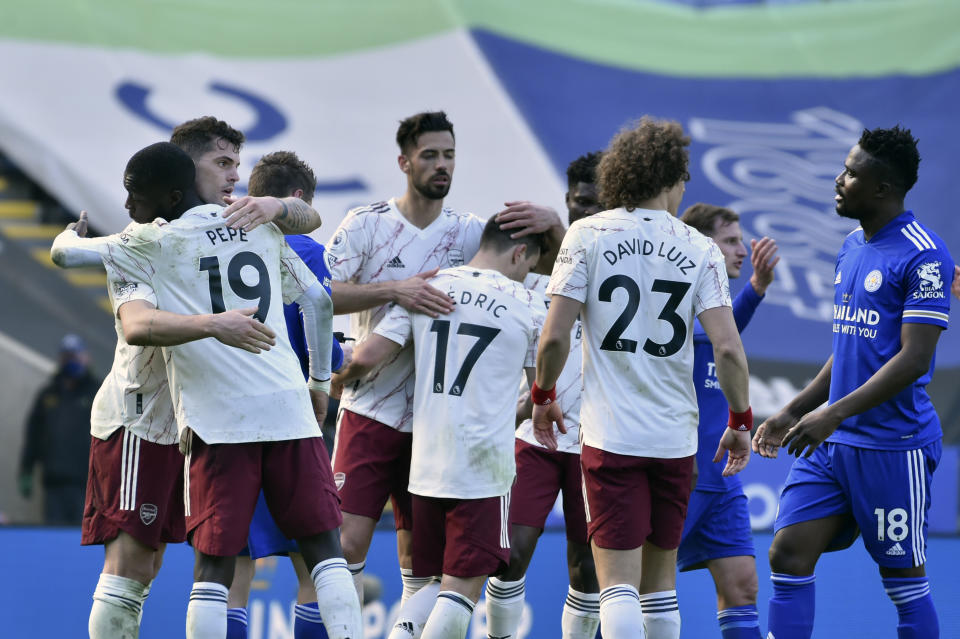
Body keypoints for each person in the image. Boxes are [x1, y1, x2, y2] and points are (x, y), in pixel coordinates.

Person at [104, 141, 360, 639]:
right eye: (223, 165)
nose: (233, 177)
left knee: (217, 568)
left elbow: (72, 256)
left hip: (216, 420)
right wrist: (320, 383)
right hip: (289, 407)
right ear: (188, 174)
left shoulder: (153, 243)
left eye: (236, 167)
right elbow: (319, 301)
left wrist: (70, 239)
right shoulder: (261, 230)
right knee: (325, 553)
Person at [324, 110, 563, 607]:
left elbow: (554, 273)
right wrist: (397, 290)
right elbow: (320, 296)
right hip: (372, 407)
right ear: (404, 162)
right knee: (344, 545)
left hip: (437, 423)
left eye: (449, 155)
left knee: (420, 561)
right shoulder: (366, 225)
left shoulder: (472, 234)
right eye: (429, 155)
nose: (441, 166)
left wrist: (556, 225)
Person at [531, 117, 753, 639]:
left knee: (617, 589)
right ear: (672, 179)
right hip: (674, 440)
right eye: (684, 181)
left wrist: (542, 394)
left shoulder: (587, 234)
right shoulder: (699, 248)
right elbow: (728, 347)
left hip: (610, 437)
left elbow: (555, 337)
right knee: (659, 589)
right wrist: (741, 419)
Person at [753, 125, 953, 639]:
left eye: (850, 173)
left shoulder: (925, 255)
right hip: (833, 442)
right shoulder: (850, 246)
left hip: (893, 446)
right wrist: (793, 411)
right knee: (788, 552)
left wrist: (833, 412)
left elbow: (913, 359)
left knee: (903, 582)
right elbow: (848, 347)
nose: (838, 180)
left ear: (882, 189)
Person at [333, 217, 547, 639]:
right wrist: (530, 409)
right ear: (520, 254)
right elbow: (539, 386)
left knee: (430, 583)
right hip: (482, 466)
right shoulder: (527, 303)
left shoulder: (428, 289)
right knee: (462, 587)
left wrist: (330, 380)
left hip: (425, 461)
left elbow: (364, 357)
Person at [225, 151, 346, 639]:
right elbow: (320, 337)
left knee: (230, 573)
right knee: (314, 565)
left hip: (230, 420)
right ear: (296, 201)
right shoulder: (309, 251)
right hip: (294, 421)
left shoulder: (223, 245)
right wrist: (336, 363)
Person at [484, 150, 604, 639]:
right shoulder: (535, 277)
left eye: (597, 204)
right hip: (534, 437)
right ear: (568, 201)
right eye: (578, 203)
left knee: (588, 568)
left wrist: (557, 225)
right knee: (507, 558)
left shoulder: (622, 267)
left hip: (597, 439)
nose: (587, 213)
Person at [677, 204, 779, 639]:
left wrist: (756, 287)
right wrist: (754, 290)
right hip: (684, 474)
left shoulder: (714, 311)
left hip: (722, 479)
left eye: (741, 240)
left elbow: (725, 333)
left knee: (742, 589)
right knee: (638, 591)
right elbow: (721, 338)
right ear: (703, 246)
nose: (742, 248)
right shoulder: (677, 307)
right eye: (731, 240)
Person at [18, 334, 98, 525]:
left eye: (75, 356)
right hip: (53, 480)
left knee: (83, 534)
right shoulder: (48, 394)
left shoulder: (97, 392)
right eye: (67, 356)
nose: (71, 361)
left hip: (86, 483)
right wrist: (26, 469)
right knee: (54, 533)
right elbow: (33, 434)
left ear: (85, 357)